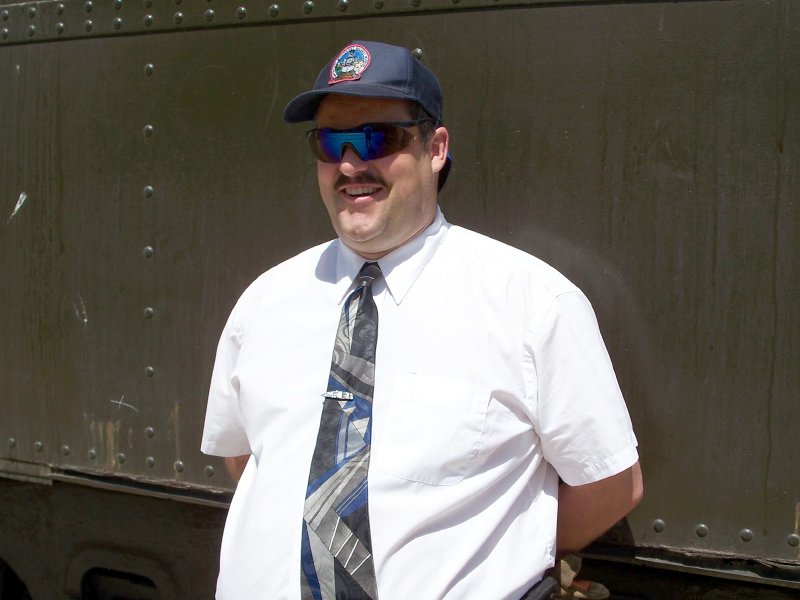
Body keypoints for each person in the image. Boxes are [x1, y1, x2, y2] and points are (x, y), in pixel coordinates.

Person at [201, 40, 643, 599]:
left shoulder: (532, 303)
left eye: (378, 138)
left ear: (436, 149)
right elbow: (248, 459)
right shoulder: (266, 302)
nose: (349, 164)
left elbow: (611, 483)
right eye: (330, 141)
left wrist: (505, 558)